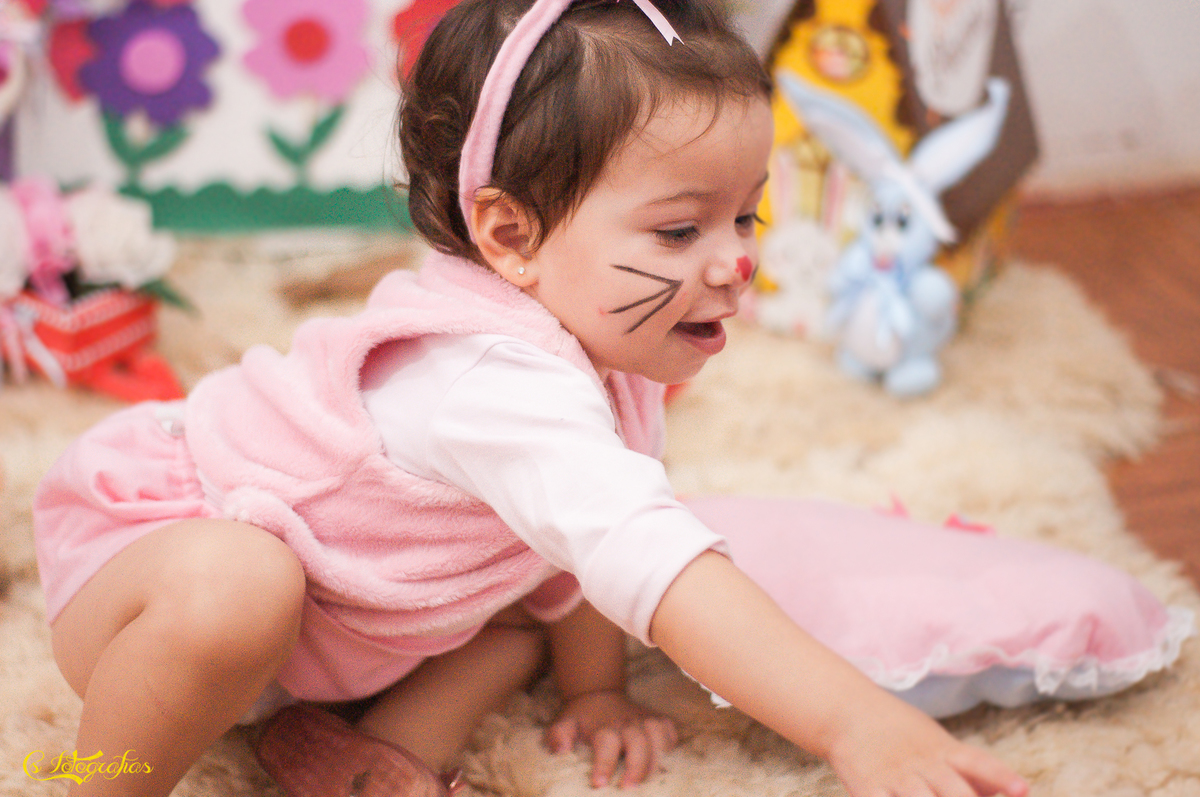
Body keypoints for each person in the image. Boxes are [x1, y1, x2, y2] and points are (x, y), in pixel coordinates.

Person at [32, 1, 1031, 796]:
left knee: (515, 621)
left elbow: (578, 541)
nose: (737, 262)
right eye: (680, 231)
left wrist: (596, 689)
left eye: (747, 215)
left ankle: (371, 753)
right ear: (510, 236)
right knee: (238, 584)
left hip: (335, 621)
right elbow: (645, 551)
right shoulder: (490, 378)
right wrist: (855, 719)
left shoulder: (602, 341)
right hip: (151, 578)